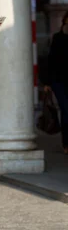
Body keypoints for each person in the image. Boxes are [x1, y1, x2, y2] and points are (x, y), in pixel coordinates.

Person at [44, 10, 68, 154]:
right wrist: (47, 83)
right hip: (59, 82)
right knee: (66, 110)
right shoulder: (58, 38)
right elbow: (51, 60)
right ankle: (66, 143)